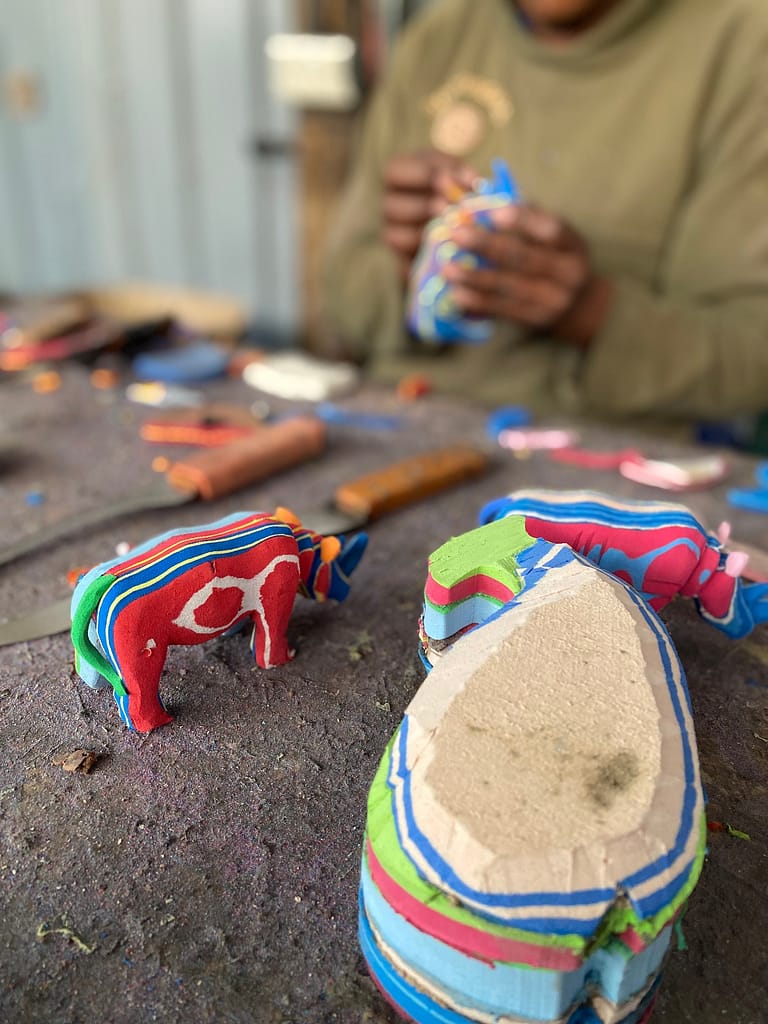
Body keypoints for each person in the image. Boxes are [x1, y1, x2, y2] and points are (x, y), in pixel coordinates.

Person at [321, 0, 768, 420]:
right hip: (400, 419)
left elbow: (752, 358)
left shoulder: (742, 41)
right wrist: (411, 266)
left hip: (605, 466)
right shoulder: (440, 35)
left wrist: (590, 312)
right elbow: (344, 298)